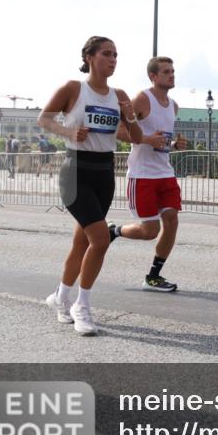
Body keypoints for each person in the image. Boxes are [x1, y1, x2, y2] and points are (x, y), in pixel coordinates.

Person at [39, 36, 142, 335]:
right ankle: (80, 306)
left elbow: (134, 137)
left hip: (104, 172)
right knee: (100, 239)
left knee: (81, 242)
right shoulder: (74, 89)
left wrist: (131, 116)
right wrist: (68, 131)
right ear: (89, 57)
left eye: (116, 55)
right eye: (106, 54)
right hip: (75, 172)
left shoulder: (118, 95)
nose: (112, 60)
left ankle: (60, 298)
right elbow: (43, 119)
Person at [109, 56, 188, 292]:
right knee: (149, 231)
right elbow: (119, 130)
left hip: (165, 172)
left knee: (172, 221)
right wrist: (146, 139)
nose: (171, 75)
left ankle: (153, 277)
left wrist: (173, 145)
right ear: (153, 76)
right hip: (142, 175)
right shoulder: (143, 99)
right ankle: (113, 230)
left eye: (173, 71)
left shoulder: (173, 105)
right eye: (166, 72)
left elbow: (160, 138)